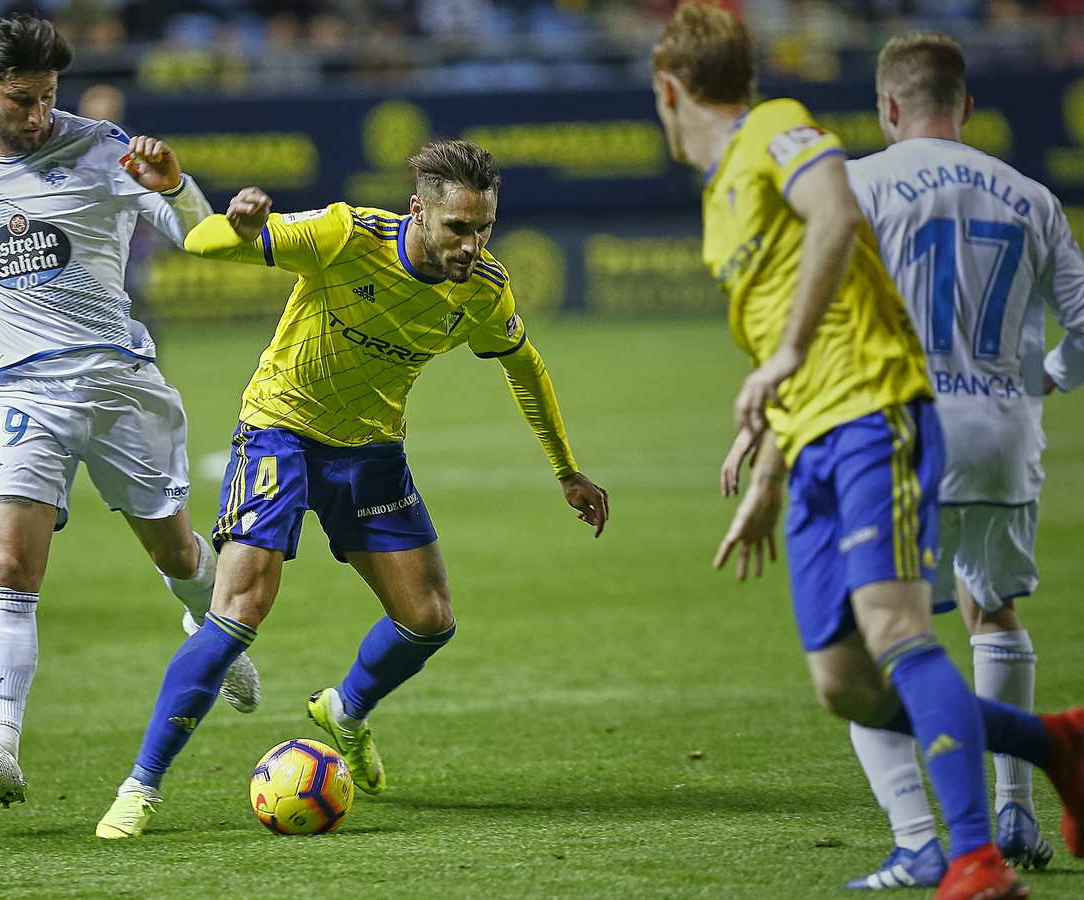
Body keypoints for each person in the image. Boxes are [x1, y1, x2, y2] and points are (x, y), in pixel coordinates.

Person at [651, 6, 1084, 899]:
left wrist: (781, 362)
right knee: (844, 680)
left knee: (899, 631)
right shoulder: (724, 188)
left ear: (668, 91)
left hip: (876, 415)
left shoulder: (775, 131)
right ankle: (1053, 746)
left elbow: (837, 214)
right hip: (830, 435)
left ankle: (969, 855)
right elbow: (797, 319)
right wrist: (767, 467)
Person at [94, 139, 612, 839]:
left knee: (428, 619)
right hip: (281, 428)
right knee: (242, 606)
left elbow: (526, 368)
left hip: (369, 452)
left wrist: (567, 469)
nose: (472, 243)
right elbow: (208, 242)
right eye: (458, 226)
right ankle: (140, 788)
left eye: (484, 226)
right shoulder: (345, 235)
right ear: (418, 211)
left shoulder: (485, 287)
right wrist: (233, 222)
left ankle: (346, 708)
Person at [0, 14, 261, 811]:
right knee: (11, 567)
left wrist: (181, 186)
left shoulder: (102, 146)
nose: (38, 115)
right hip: (23, 390)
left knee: (174, 553)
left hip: (120, 383)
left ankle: (213, 635)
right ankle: (0, 745)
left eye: (48, 97)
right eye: (22, 100)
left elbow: (195, 234)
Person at [841, 31, 1084, 888]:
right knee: (995, 614)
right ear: (968, 107)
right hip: (1003, 432)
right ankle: (1014, 798)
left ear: (889, 108)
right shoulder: (1033, 196)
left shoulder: (861, 183)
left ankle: (918, 838)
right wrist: (1047, 378)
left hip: (900, 433)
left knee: (869, 647)